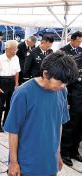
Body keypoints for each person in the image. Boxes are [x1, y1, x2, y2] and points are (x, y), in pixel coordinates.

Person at [4, 51, 79, 176]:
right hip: (27, 163)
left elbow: (59, 124)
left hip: (49, 161)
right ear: (45, 74)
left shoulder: (62, 91)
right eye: (60, 81)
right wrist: (13, 162)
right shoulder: (24, 93)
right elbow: (13, 130)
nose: (63, 86)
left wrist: (58, 153)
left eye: (66, 83)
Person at [60, 31, 82, 166]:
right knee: (70, 125)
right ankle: (65, 152)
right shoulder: (69, 56)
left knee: (80, 126)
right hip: (73, 96)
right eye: (78, 41)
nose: (79, 44)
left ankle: (75, 150)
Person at [0, 40, 20, 132]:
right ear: (8, 49)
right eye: (15, 49)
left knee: (10, 104)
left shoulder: (16, 58)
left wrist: (16, 84)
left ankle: (6, 123)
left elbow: (17, 72)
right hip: (2, 81)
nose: (16, 51)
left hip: (12, 81)